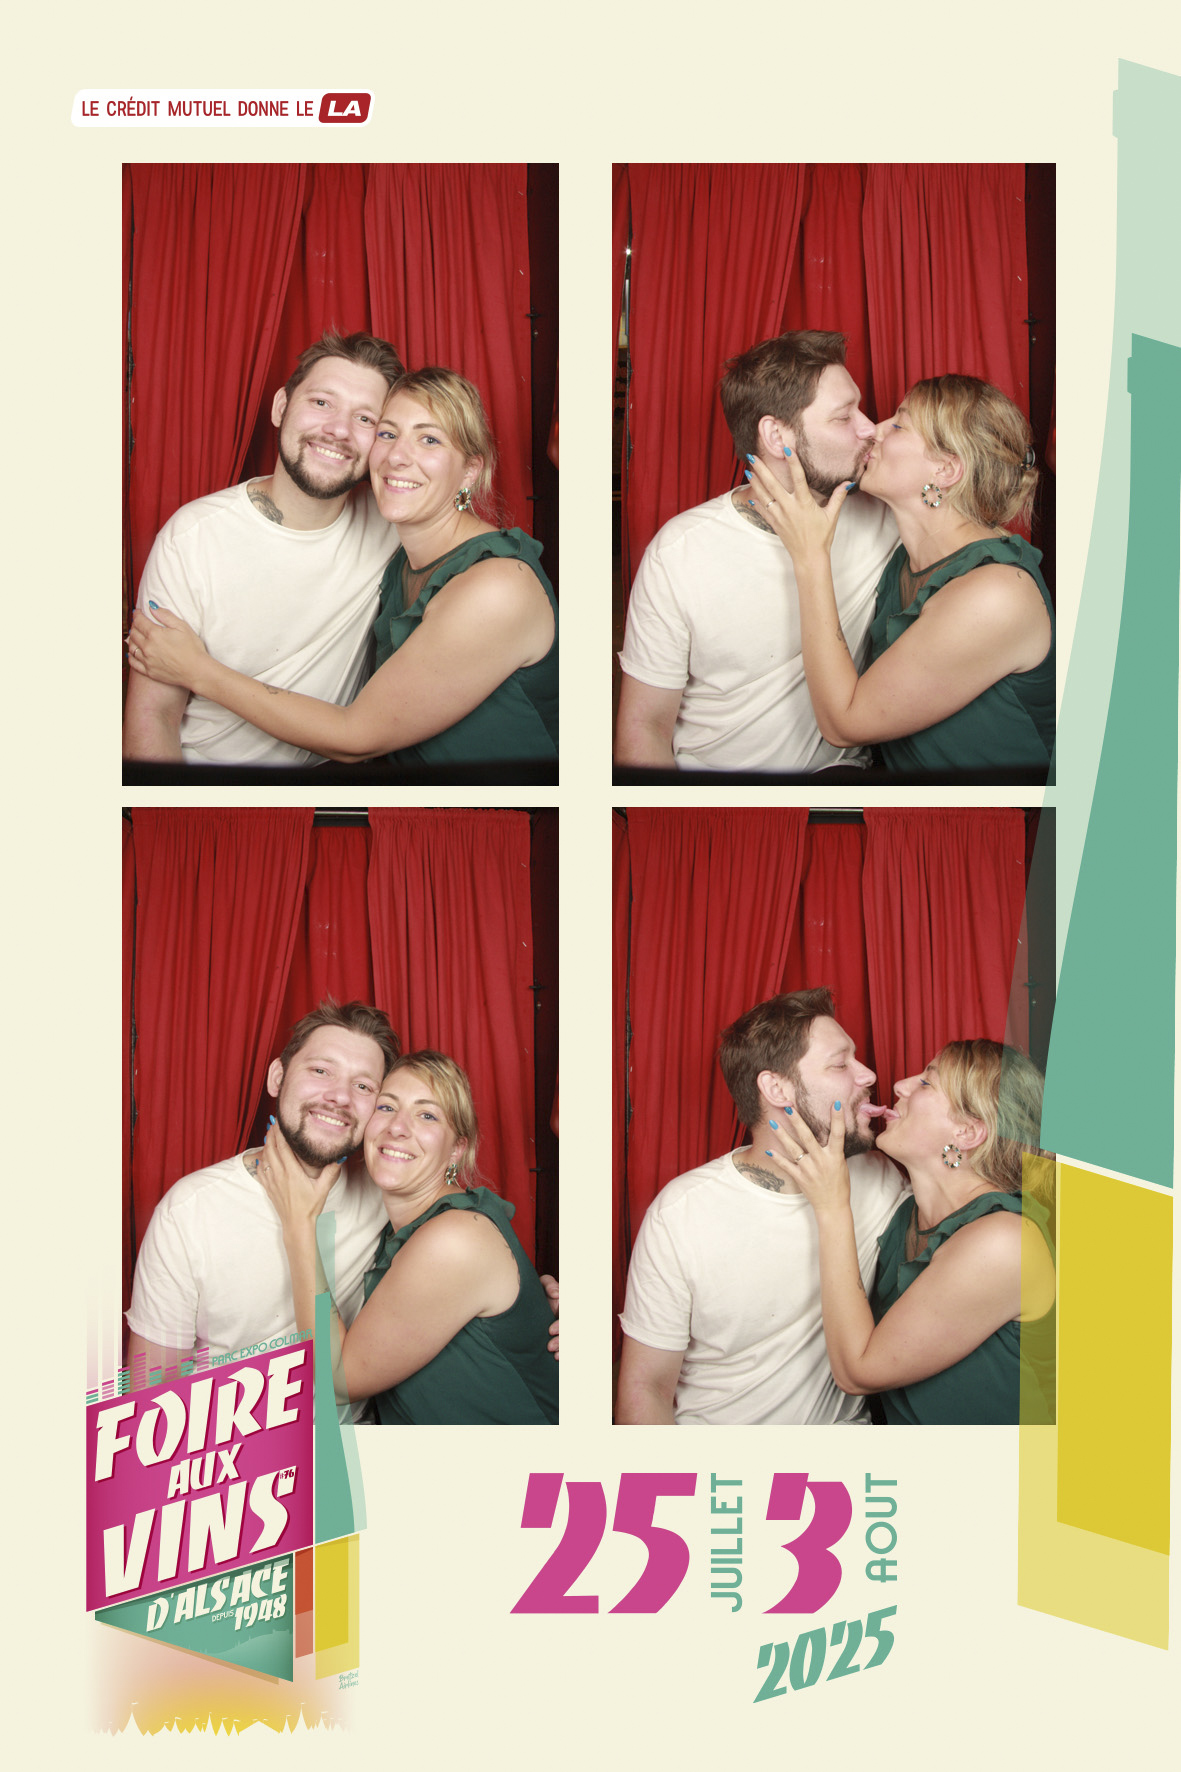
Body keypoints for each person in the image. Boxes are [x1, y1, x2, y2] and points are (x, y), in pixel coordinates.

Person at [126, 1001, 558, 1414]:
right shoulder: (190, 1211)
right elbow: (149, 1402)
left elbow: (467, 1268)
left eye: (364, 1086)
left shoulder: (391, 1189)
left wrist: (542, 1308)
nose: (339, 1097)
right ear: (277, 1077)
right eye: (321, 1071)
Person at [128, 368, 558, 770]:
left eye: (429, 440)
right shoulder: (400, 556)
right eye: (387, 433)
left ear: (470, 470)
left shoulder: (497, 588)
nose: (398, 456)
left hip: (494, 817)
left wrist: (196, 670)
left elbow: (356, 736)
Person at [616, 991, 905, 1425]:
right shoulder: (682, 1213)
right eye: (840, 1064)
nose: (868, 1074)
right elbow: (646, 1388)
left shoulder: (881, 1178)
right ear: (776, 1089)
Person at [614, 332, 898, 773]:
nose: (869, 428)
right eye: (844, 417)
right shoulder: (680, 552)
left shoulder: (887, 518)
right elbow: (645, 727)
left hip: (835, 791)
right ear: (776, 434)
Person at [123, 330, 405, 765]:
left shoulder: (394, 523)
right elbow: (154, 717)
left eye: (365, 419)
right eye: (321, 402)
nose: (338, 430)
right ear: (280, 407)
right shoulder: (192, 538)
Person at [747, 375, 1055, 773]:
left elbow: (843, 724)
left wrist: (809, 555)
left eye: (898, 425)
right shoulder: (902, 562)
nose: (872, 430)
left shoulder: (996, 595)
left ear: (946, 469)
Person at [258, 1051, 560, 1425]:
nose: (397, 1128)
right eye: (386, 1107)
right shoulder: (405, 1230)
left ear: (457, 1149)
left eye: (427, 1115)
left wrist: (299, 1223)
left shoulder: (454, 1238)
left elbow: (339, 1380)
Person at [765, 1038, 1055, 1424]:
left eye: (926, 1082)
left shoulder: (1005, 1243)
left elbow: (857, 1372)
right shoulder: (903, 1216)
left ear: (968, 1132)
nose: (900, 1085)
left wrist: (832, 1207)